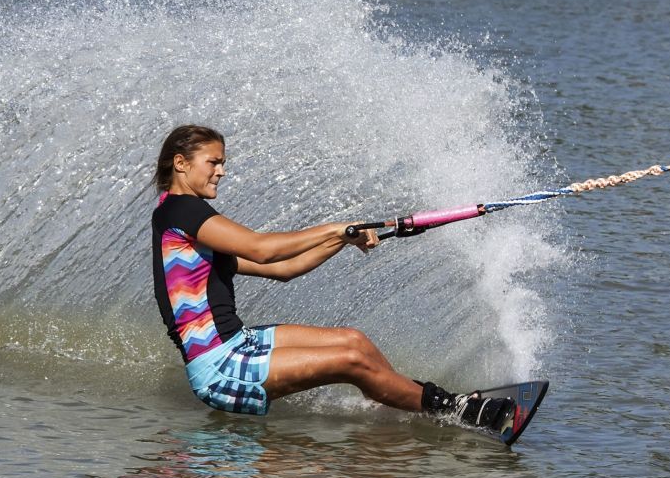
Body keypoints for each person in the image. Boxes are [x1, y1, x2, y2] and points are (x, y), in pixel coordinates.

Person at [150, 124, 513, 430]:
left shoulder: (187, 225)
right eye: (213, 162)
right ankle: (454, 408)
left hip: (238, 343)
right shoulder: (182, 211)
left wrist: (342, 239)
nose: (222, 171)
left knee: (353, 342)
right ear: (181, 164)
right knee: (349, 362)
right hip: (220, 367)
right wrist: (335, 227)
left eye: (223, 163)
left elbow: (282, 269)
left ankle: (400, 399)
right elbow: (263, 249)